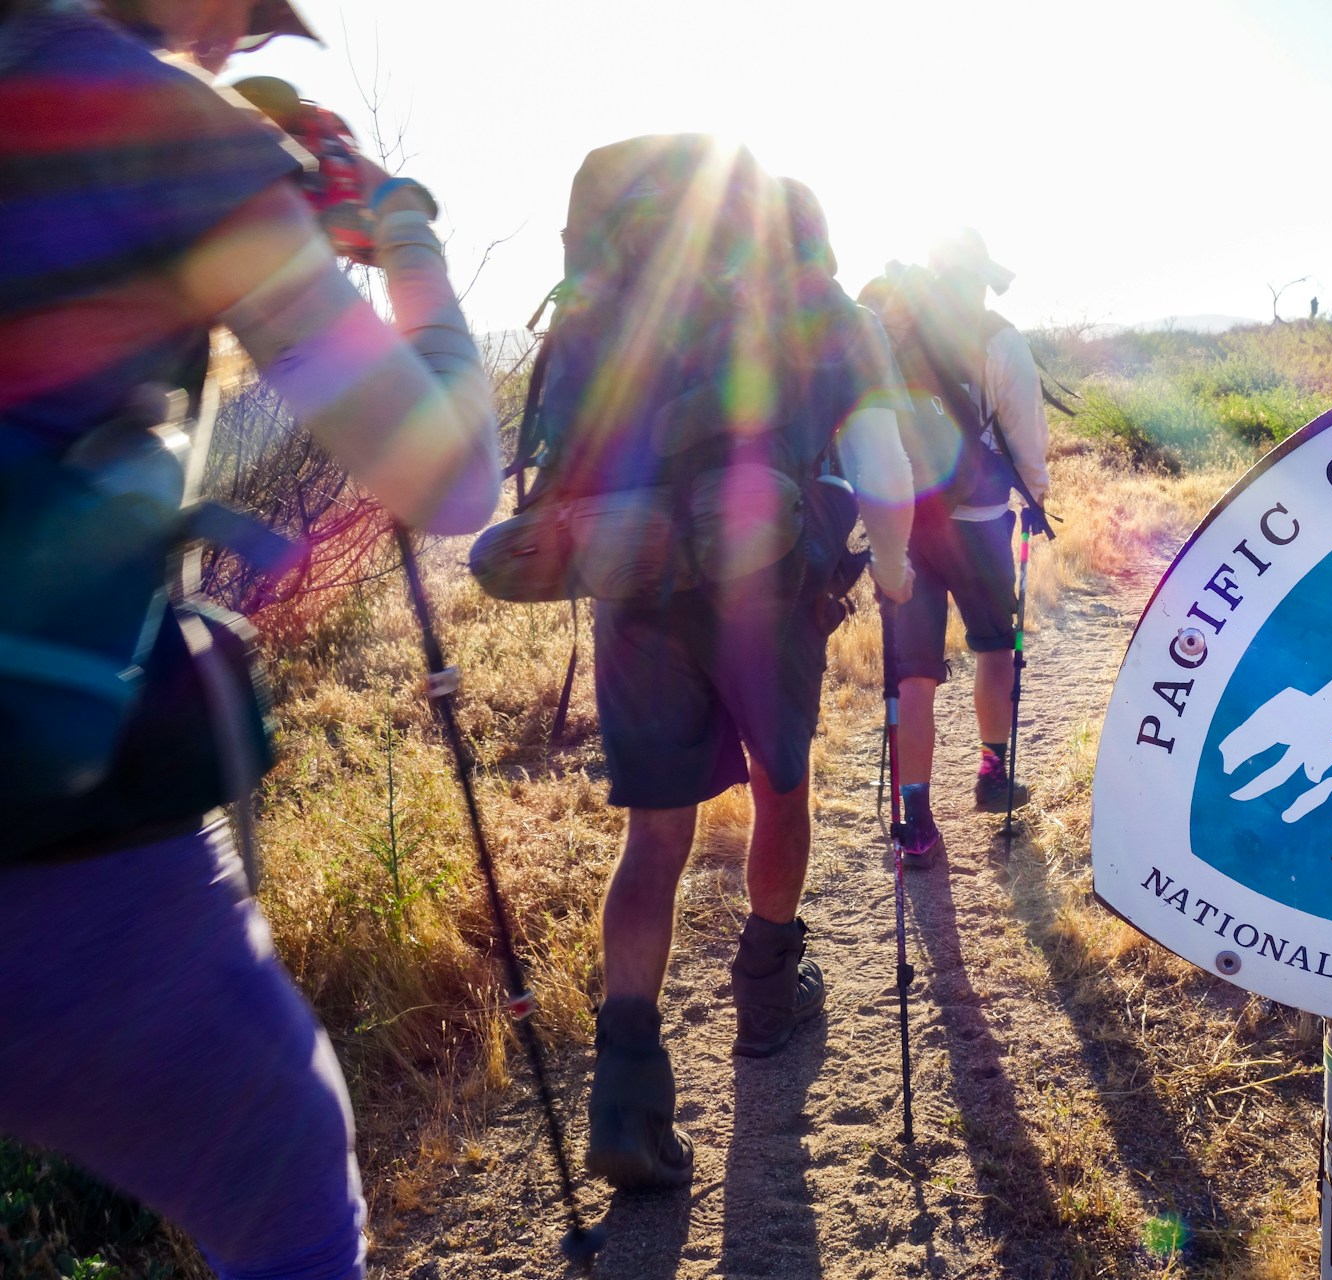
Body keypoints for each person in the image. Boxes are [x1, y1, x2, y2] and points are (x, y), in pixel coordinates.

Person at [0, 1, 500, 1277]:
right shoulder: (153, 120)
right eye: (237, 12)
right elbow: (442, 478)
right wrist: (404, 242)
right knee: (285, 1177)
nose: (238, 42)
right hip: (56, 860)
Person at [585, 172, 915, 1190]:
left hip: (637, 583)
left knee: (655, 833)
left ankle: (626, 1090)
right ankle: (769, 991)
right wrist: (895, 573)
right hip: (768, 588)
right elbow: (885, 468)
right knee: (781, 788)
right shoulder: (835, 319)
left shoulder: (649, 318)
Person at [882, 229, 1051, 865]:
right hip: (979, 524)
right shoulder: (997, 338)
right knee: (995, 646)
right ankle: (991, 772)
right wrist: (1032, 500)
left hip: (906, 522)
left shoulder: (894, 337)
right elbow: (1023, 432)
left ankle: (917, 816)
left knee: (914, 673)